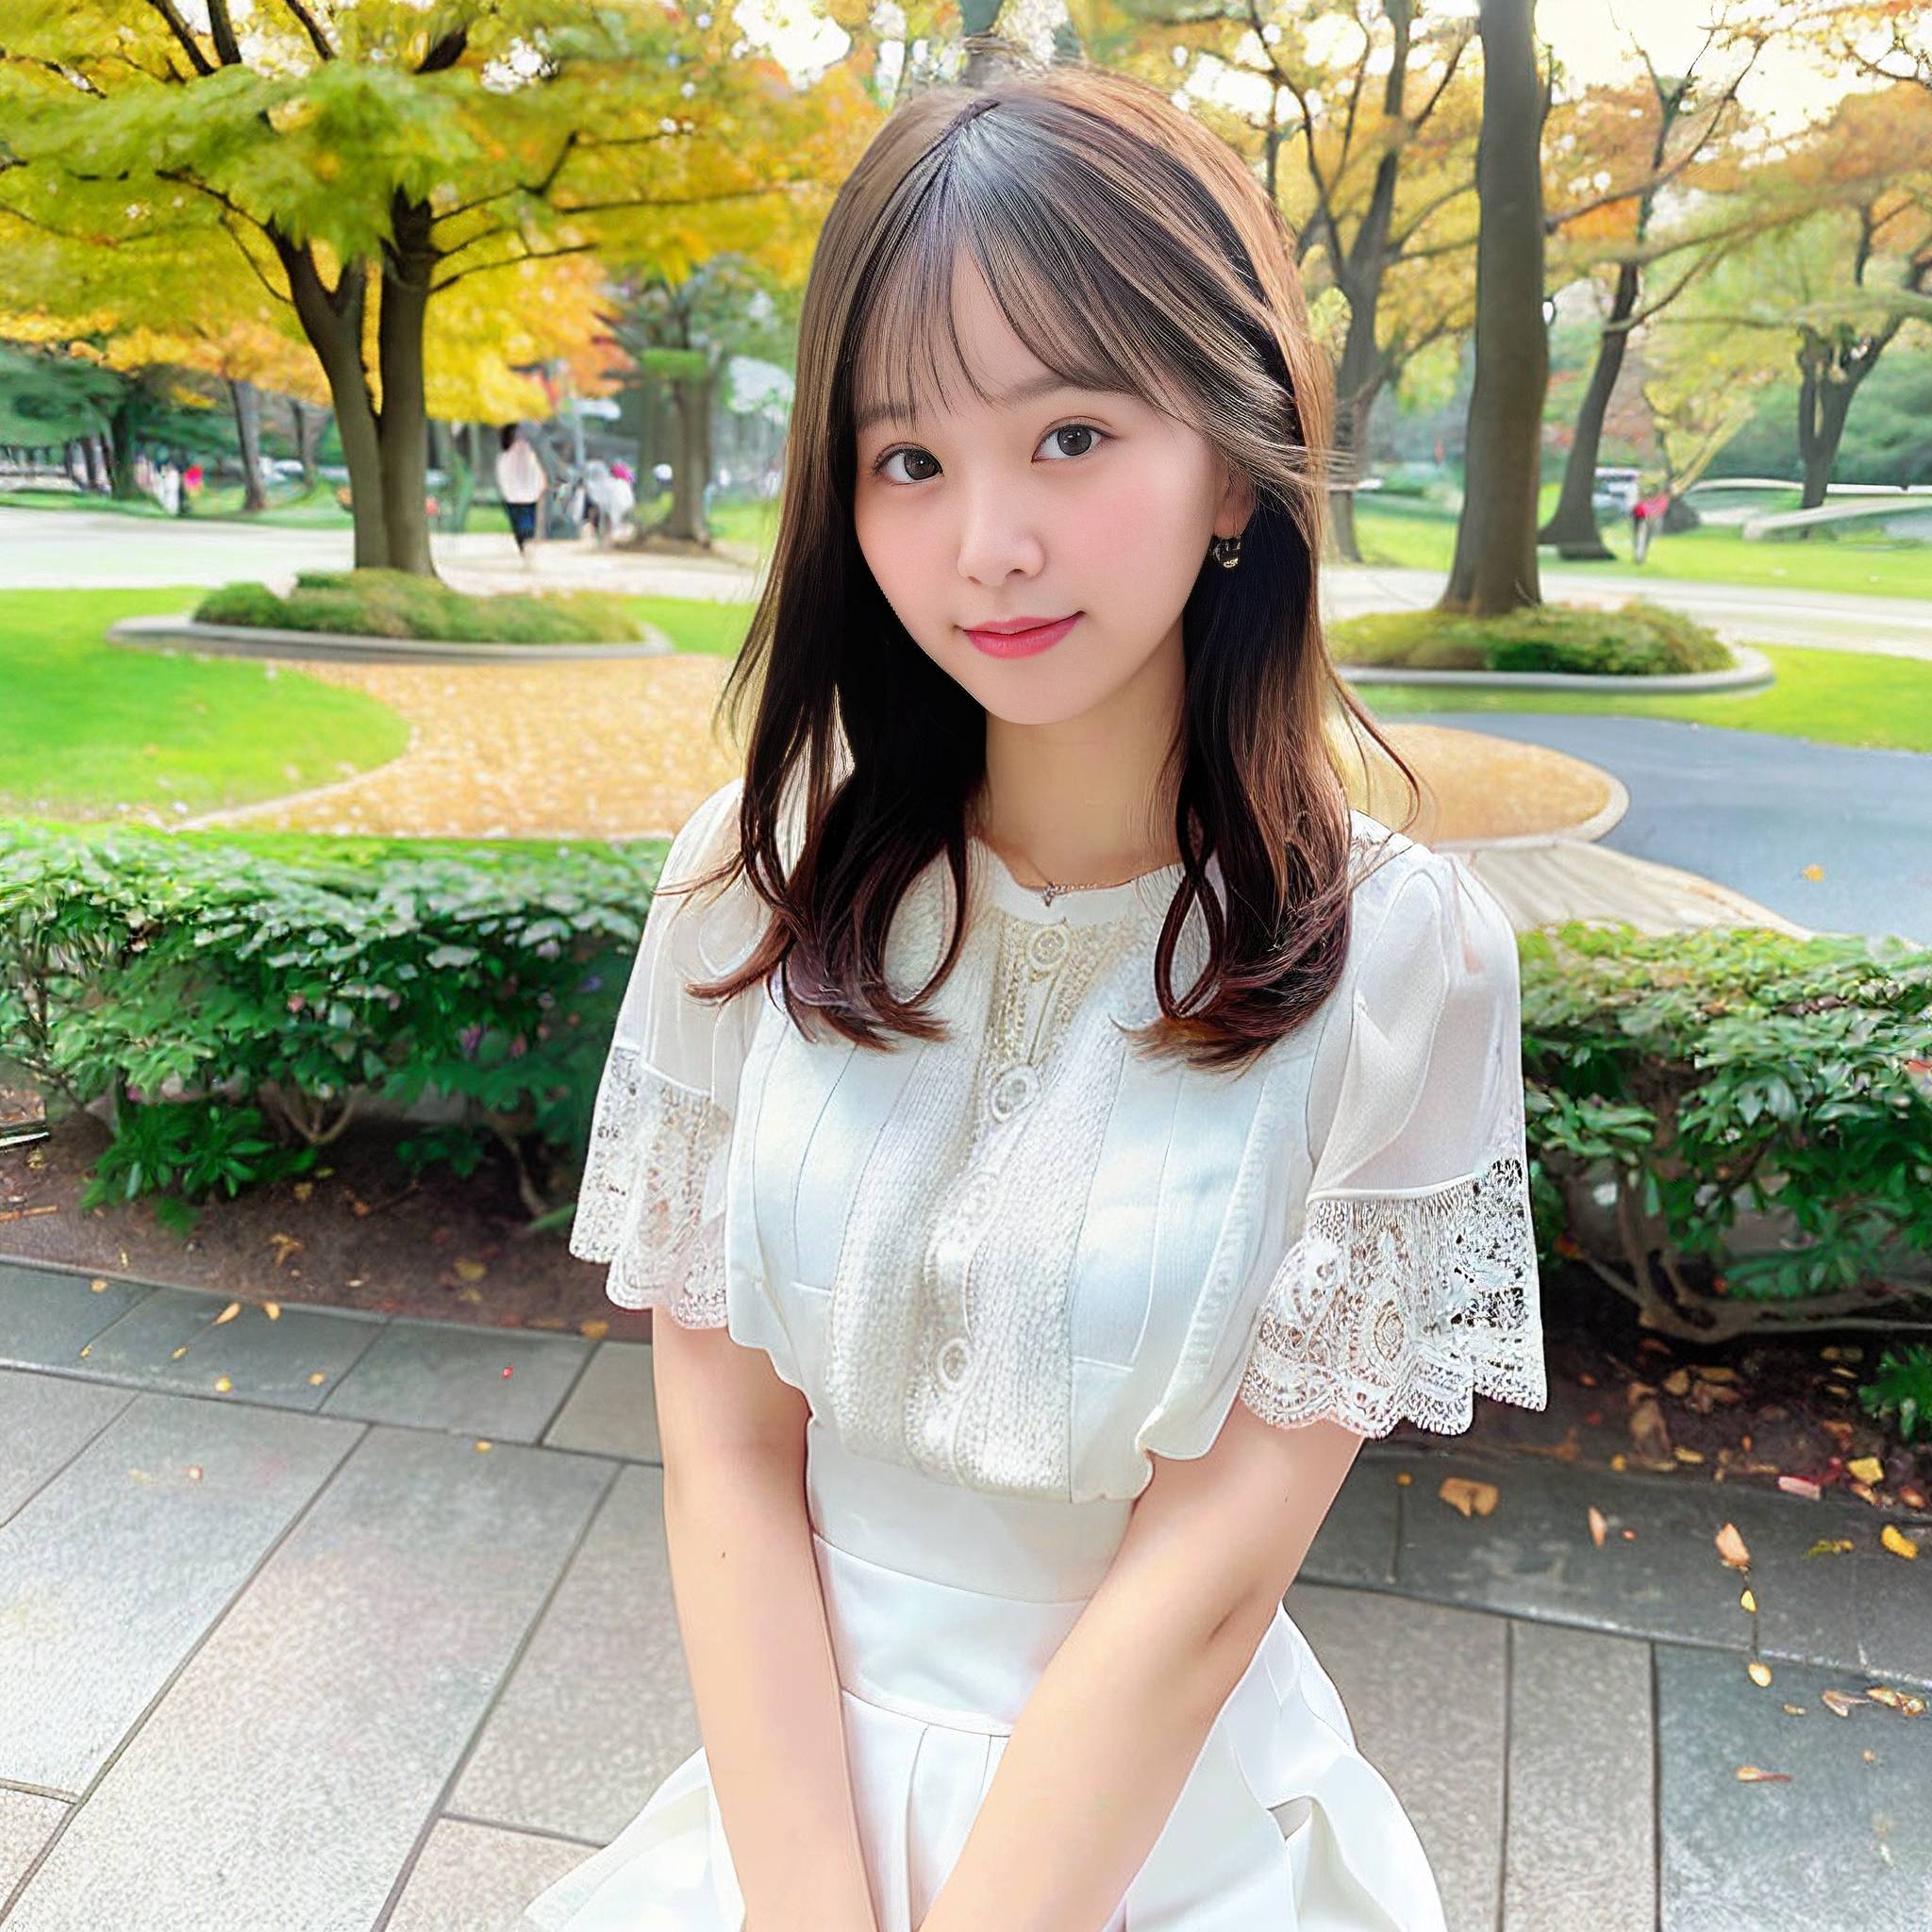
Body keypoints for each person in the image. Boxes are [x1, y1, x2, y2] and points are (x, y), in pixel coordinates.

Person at [522, 58, 1546, 1932]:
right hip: (785, 1822)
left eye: (1069, 434)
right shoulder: (749, 888)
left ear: (1232, 457)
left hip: (1159, 1840)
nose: (982, 538)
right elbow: (727, 1451)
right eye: (908, 456)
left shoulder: (1399, 967)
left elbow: (1211, 1574)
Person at [495, 423, 548, 565]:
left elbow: (504, 474)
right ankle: (526, 547)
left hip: (514, 495)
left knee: (519, 524)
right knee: (526, 523)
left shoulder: (506, 455)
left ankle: (525, 547)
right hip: (527, 495)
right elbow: (535, 470)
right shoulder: (525, 450)